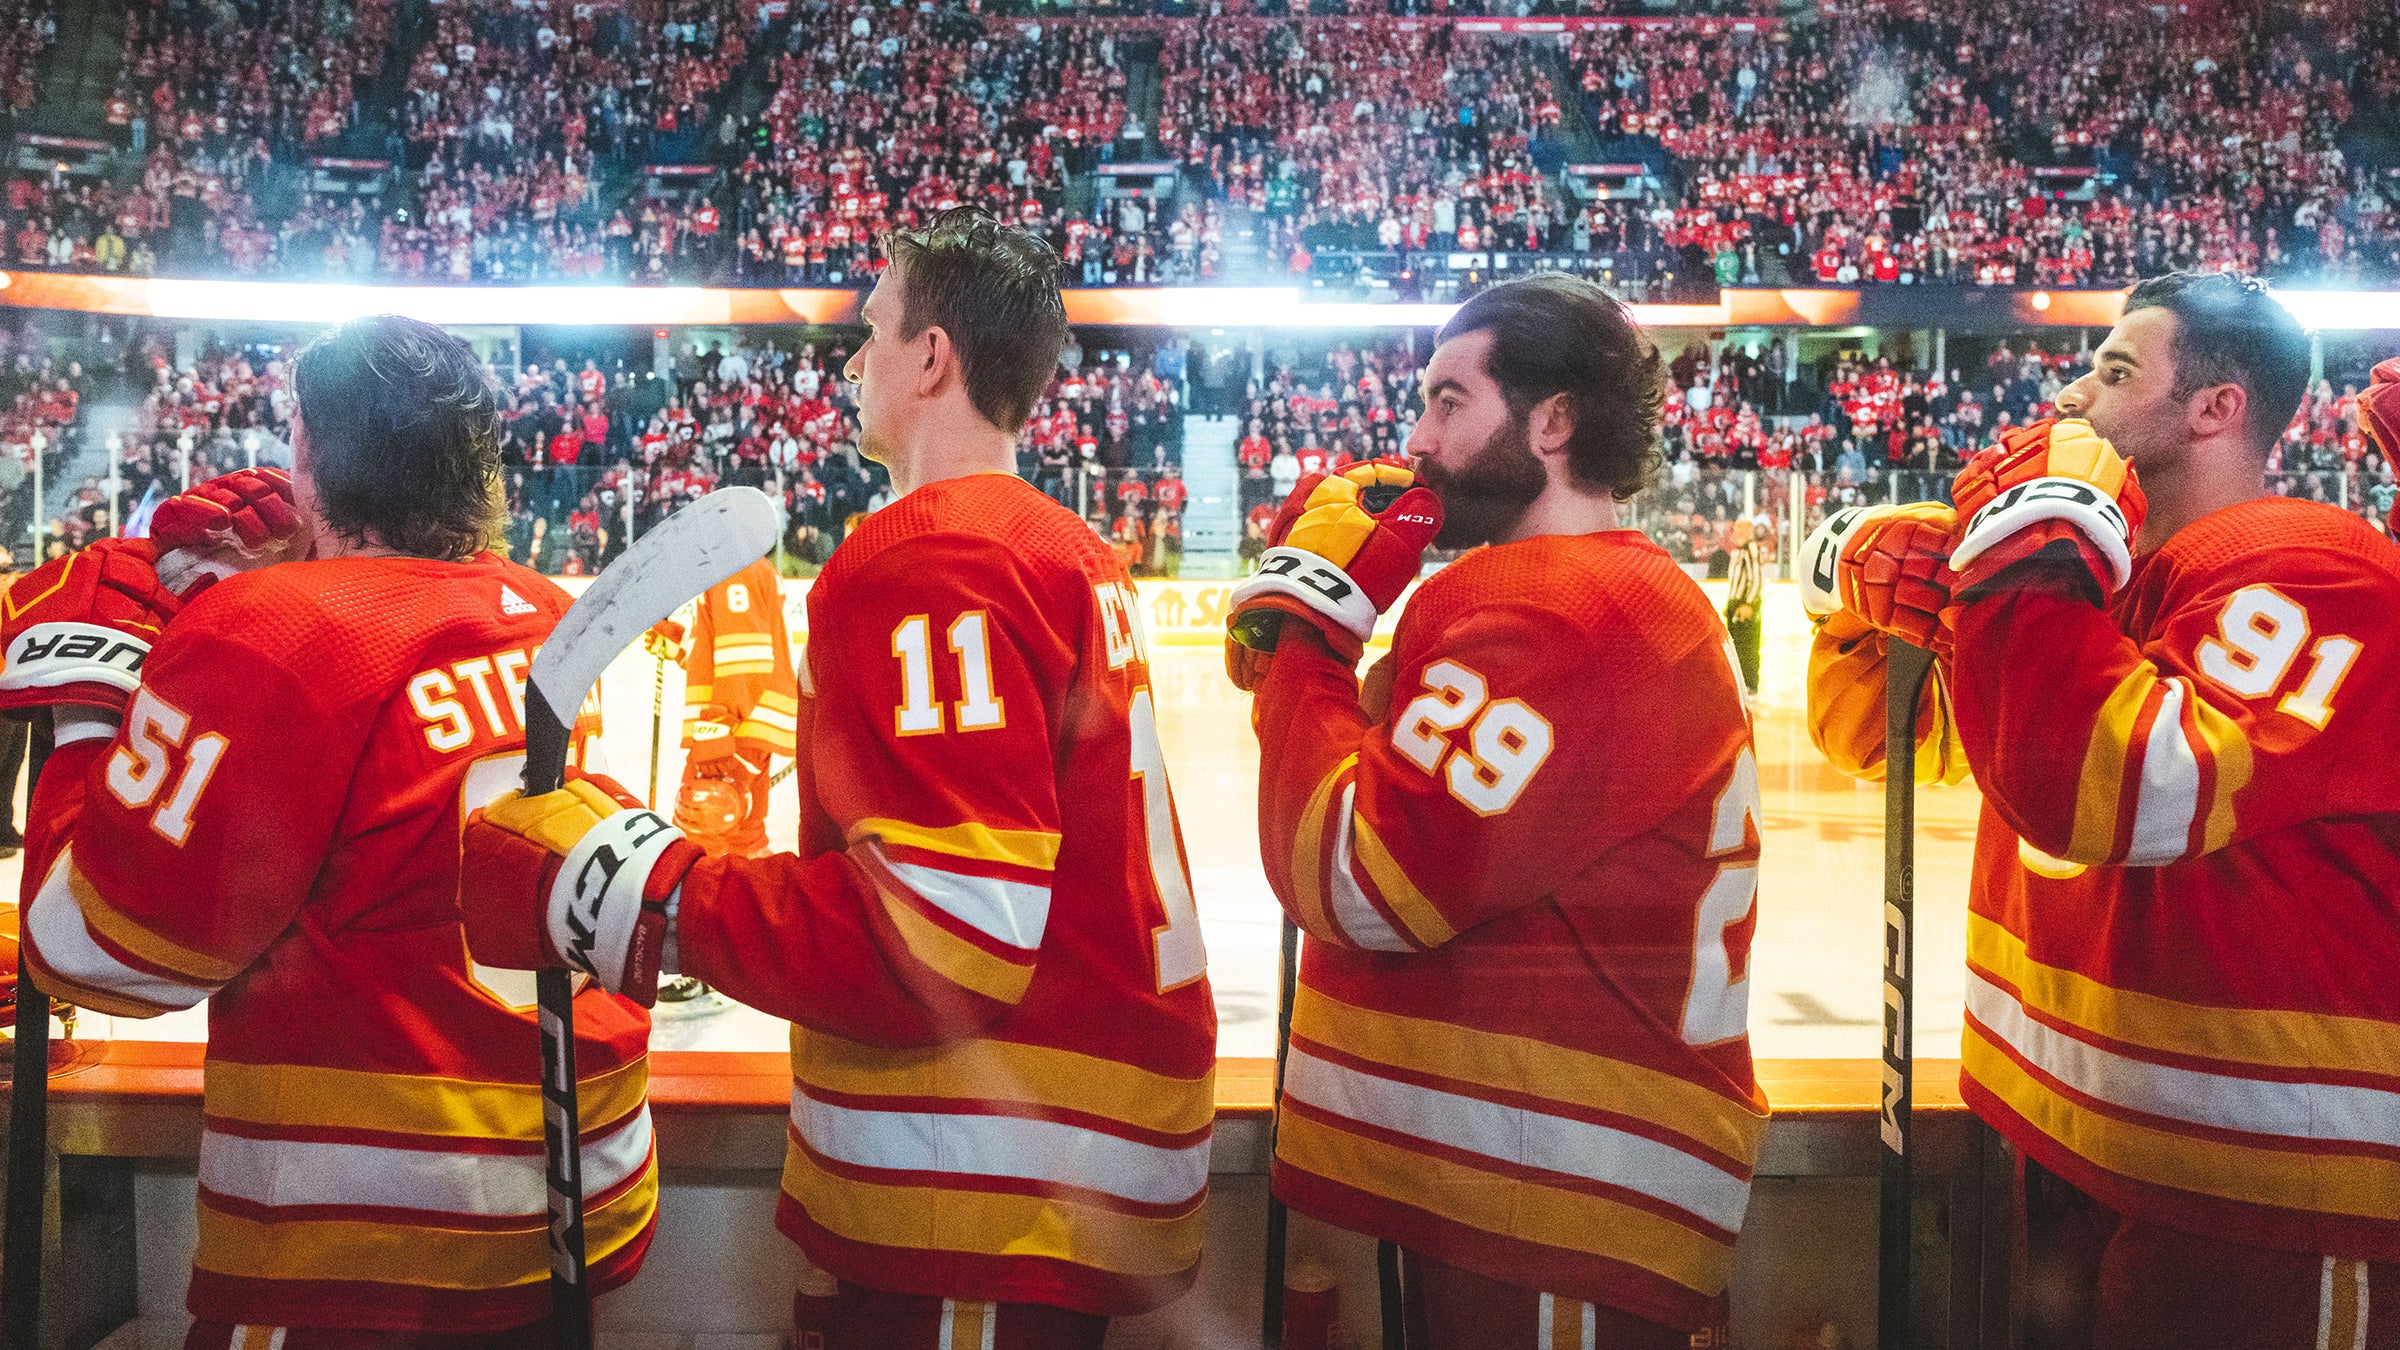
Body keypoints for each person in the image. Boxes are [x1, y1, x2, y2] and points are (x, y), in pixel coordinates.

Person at [458, 209, 1215, 1350]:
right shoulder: (1072, 548)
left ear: (931, 357)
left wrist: (640, 890)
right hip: (1059, 1161)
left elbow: (940, 940)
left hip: (981, 1185)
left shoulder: (935, 555)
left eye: (870, 332)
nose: (853, 364)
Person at [3, 316, 658, 1346]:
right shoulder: (538, 607)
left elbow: (96, 951)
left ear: (310, 450)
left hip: (357, 1245)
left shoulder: (273, 631)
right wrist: (276, 579)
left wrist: (97, 682)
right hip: (567, 1200)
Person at [1808, 272, 2400, 1348]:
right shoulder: (2107, 573)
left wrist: (2025, 552)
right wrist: (1870, 611)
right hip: (2077, 1134)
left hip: (2258, 1185)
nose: (2075, 396)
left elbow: (2107, 788)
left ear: (2217, 409)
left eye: (2118, 370)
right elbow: (1904, 742)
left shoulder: (2305, 565)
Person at [1224, 274, 1765, 1347]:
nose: (1414, 437)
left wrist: (1315, 636)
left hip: (1561, 1200)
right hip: (1528, 1187)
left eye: (1447, 401)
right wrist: (1305, 648)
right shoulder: (1567, 590)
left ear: (1552, 420)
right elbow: (1369, 788)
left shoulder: (1566, 610)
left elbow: (1355, 875)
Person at [1723, 517, 1764, 696]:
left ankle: (1750, 683)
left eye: (1741, 527)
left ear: (1749, 530)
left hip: (1745, 605)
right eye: (1736, 526)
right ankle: (1740, 683)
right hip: (1735, 604)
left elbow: (1756, 578)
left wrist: (1749, 604)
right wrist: (1730, 602)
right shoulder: (1737, 552)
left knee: (1747, 645)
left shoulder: (1751, 549)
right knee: (1735, 646)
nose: (1736, 530)